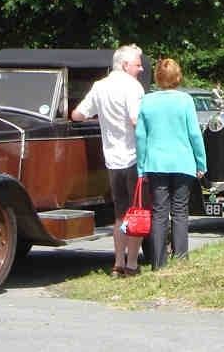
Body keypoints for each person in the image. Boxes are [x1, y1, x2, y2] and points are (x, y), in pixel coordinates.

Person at [72, 44, 146, 277]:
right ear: (125, 65)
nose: (141, 69)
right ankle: (132, 264)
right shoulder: (133, 87)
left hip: (111, 158)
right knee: (136, 213)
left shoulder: (100, 87)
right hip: (133, 157)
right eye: (137, 64)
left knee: (120, 213)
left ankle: (117, 263)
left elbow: (78, 114)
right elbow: (135, 120)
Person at [135, 58, 206, 271]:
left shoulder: (147, 101)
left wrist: (141, 167)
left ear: (157, 77)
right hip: (183, 162)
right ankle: (181, 258)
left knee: (158, 212)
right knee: (180, 211)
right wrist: (201, 162)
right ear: (178, 77)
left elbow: (140, 136)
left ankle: (158, 263)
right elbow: (194, 134)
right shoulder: (185, 100)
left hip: (156, 163)